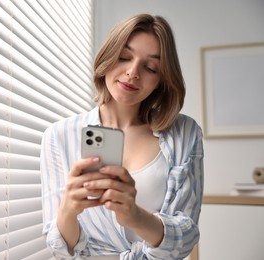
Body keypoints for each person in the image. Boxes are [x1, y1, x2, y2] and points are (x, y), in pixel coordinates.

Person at [40, 13, 204, 260]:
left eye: (150, 67)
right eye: (124, 57)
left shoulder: (184, 133)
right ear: (107, 57)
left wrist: (134, 216)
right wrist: (68, 210)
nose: (133, 72)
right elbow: (62, 249)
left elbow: (186, 238)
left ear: (161, 80)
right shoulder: (59, 136)